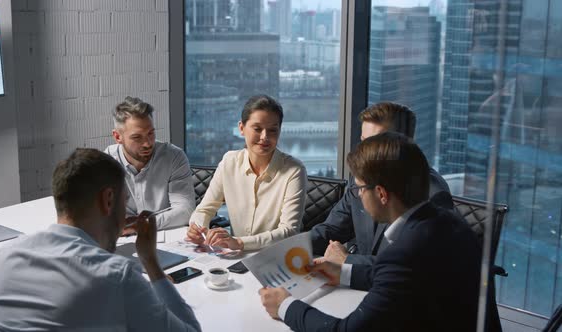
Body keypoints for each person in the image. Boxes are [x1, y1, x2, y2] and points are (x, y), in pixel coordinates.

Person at [259, 132, 501, 332]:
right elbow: (406, 278)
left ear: (382, 194)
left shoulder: (405, 251)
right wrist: (342, 272)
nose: (358, 196)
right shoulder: (449, 223)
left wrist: (285, 305)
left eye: (360, 189)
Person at [0, 148, 201, 331]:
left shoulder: (7, 256)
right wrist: (152, 264)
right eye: (124, 202)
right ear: (108, 200)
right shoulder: (116, 276)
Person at [311, 101, 453, 265]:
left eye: (374, 143)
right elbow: (332, 229)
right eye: (363, 142)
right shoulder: (361, 178)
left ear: (401, 144)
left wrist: (347, 260)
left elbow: (416, 266)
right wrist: (287, 248)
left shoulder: (433, 195)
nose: (364, 151)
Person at [186, 95, 307, 251]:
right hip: (237, 257)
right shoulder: (229, 162)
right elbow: (204, 209)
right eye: (257, 129)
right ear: (241, 128)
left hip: (277, 258)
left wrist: (240, 242)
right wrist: (198, 229)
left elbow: (288, 231)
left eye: (272, 130)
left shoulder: (294, 170)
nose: (265, 137)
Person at [105, 96, 195, 233]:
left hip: (166, 238)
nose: (147, 143)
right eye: (137, 137)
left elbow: (185, 211)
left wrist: (138, 226)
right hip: (122, 240)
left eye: (151, 133)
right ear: (118, 137)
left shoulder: (174, 157)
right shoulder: (107, 161)